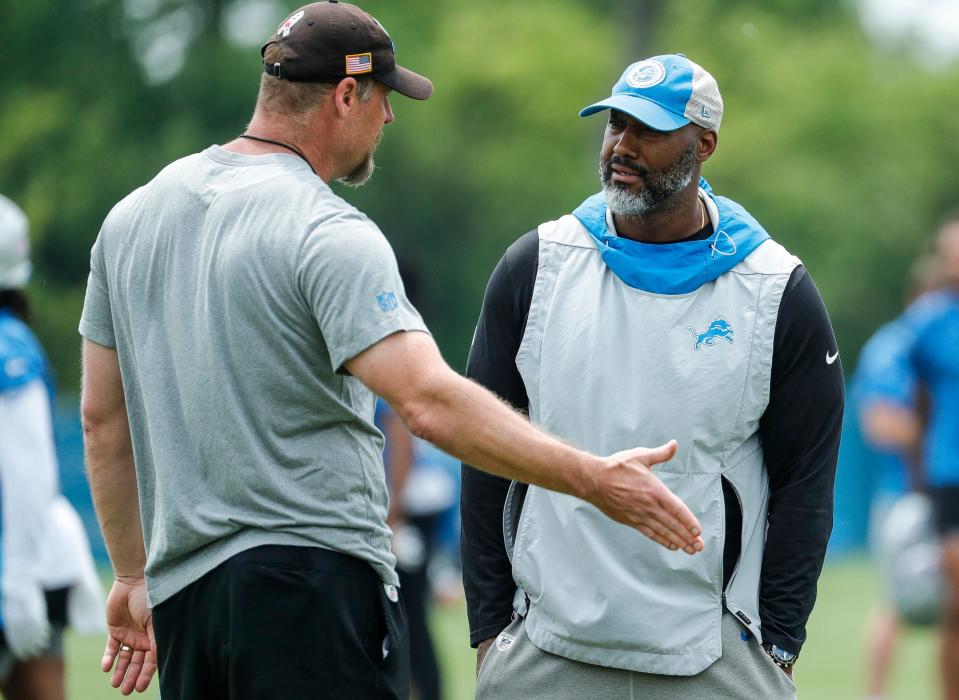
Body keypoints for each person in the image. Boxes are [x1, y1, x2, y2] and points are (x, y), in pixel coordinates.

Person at [78, 6, 705, 699]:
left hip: (185, 600)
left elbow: (103, 421)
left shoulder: (130, 219)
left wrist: (133, 575)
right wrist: (591, 478)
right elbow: (426, 401)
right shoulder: (324, 228)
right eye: (383, 99)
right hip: (309, 590)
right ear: (347, 96)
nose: (389, 119)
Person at [461, 54, 844, 698]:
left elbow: (806, 479)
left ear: (705, 144)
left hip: (712, 651)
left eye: (648, 129)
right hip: (545, 643)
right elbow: (483, 448)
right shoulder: (537, 266)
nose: (622, 145)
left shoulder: (775, 288)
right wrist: (488, 625)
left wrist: (779, 643)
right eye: (615, 123)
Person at [0, 194, 105, 700]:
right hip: (27, 565)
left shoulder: (7, 347)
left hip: (18, 567)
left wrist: (15, 583)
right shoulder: (16, 339)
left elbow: (25, 473)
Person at [895, 213, 959, 700]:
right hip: (948, 475)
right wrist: (916, 474)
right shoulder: (928, 321)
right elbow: (912, 397)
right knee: (954, 607)